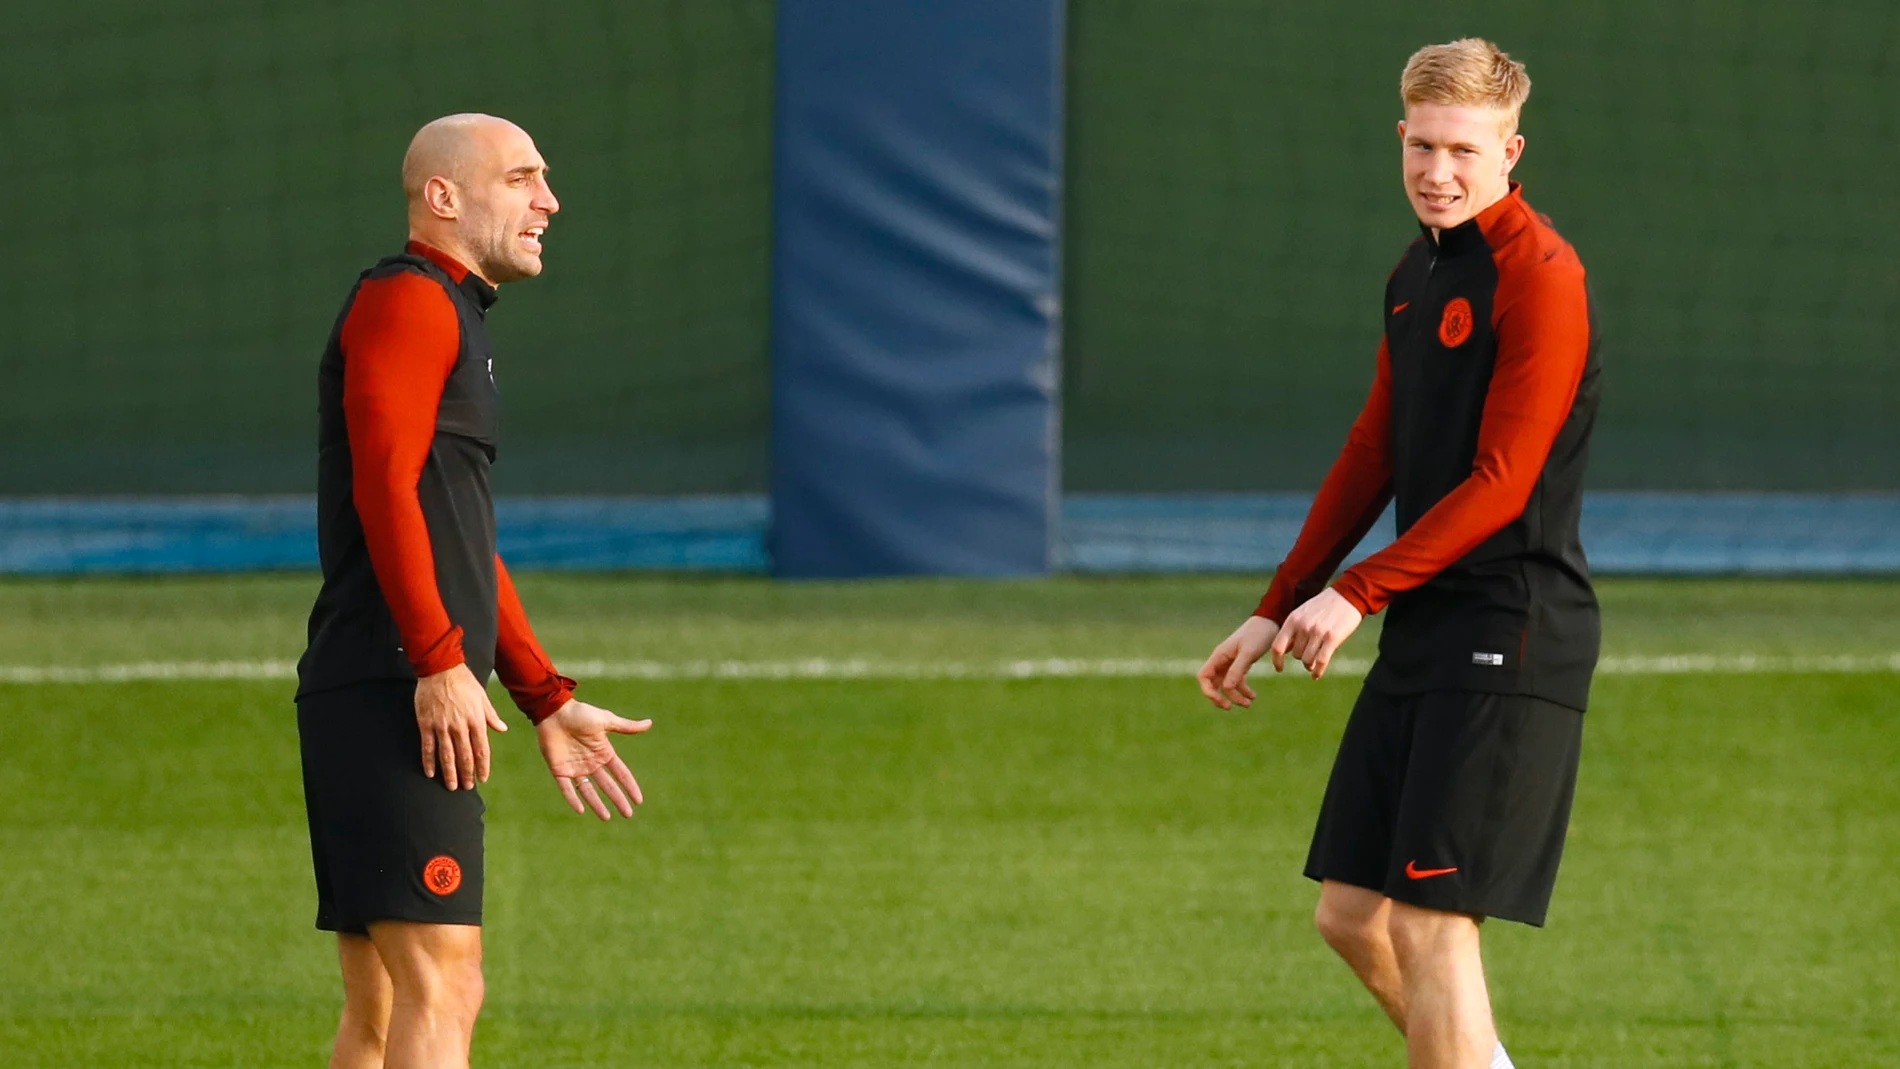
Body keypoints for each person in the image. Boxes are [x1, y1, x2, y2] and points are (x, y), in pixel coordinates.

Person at [1196, 40, 1600, 1069]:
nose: (1438, 170)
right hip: (1431, 619)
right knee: (1351, 917)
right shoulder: (1417, 270)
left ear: (1511, 152)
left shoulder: (1541, 275)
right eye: (1422, 145)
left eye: (1463, 150)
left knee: (1427, 922)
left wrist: (1355, 592)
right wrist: (1275, 600)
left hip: (1510, 625)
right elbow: (1376, 446)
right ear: (1399, 136)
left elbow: (1503, 480)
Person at [294, 113, 653, 1069]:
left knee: (382, 1011)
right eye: (523, 178)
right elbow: (384, 483)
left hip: (376, 679)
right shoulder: (409, 300)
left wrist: (545, 692)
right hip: (389, 687)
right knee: (445, 985)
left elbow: (459, 537)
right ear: (443, 197)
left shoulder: (450, 312)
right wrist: (439, 660)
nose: (550, 200)